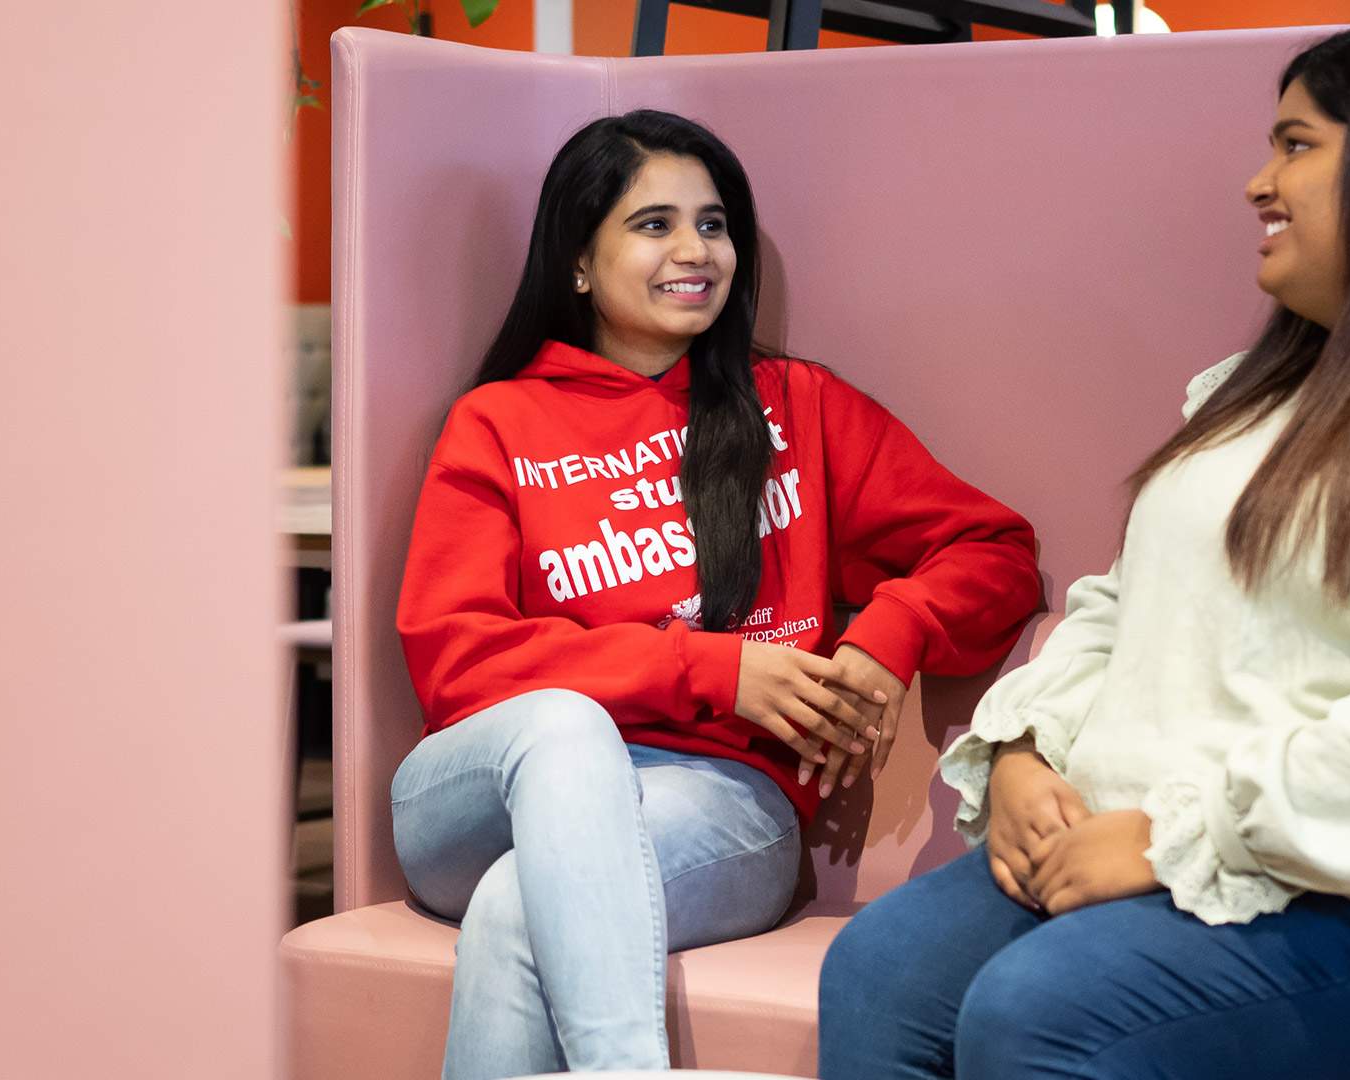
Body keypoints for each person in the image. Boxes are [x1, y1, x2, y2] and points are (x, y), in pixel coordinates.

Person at [818, 14, 1350, 1080]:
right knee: (882, 969)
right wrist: (1027, 753)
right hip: (1201, 842)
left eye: (1296, 143)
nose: (1256, 183)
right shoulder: (1253, 397)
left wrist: (1177, 838)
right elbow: (1121, 610)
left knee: (1046, 1008)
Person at [391, 109, 1041, 1079]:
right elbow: (457, 660)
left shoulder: (796, 408)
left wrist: (886, 635)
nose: (696, 250)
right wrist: (711, 668)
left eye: (714, 223)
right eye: (653, 224)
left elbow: (993, 549)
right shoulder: (499, 422)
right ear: (577, 259)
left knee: (520, 906)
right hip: (489, 788)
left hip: (718, 801)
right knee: (563, 728)